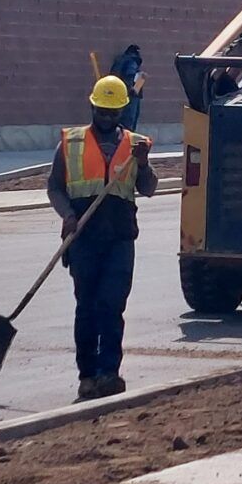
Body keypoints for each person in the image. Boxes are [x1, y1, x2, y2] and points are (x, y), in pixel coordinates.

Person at [54, 74, 158, 402]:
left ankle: (109, 373)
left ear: (122, 112)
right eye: (102, 111)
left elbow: (150, 188)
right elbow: (54, 187)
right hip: (84, 239)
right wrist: (68, 216)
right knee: (86, 308)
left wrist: (142, 164)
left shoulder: (134, 144)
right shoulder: (71, 143)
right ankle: (87, 376)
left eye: (113, 113)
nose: (107, 118)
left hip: (119, 240)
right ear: (92, 106)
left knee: (111, 305)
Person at [108, 43, 146, 133]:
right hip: (131, 95)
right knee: (129, 122)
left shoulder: (120, 61)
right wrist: (132, 88)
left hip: (117, 93)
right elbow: (130, 75)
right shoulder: (132, 61)